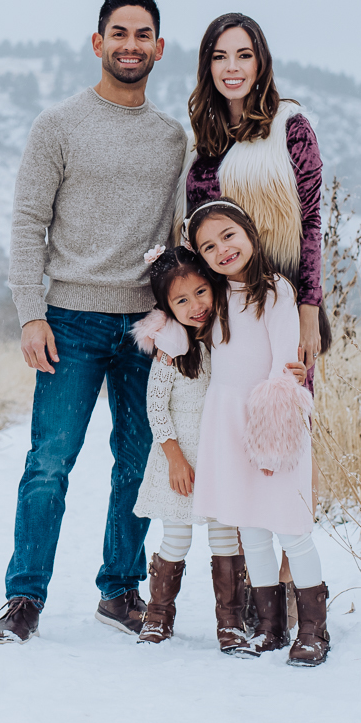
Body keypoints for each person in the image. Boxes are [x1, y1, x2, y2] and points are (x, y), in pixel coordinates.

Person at [0, 0, 189, 644]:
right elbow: (28, 220)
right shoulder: (59, 125)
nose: (131, 44)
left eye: (143, 35)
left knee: (138, 464)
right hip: (68, 320)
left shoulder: (171, 140)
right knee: (49, 463)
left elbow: (184, 230)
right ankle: (24, 597)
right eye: (118, 32)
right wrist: (30, 312)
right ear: (98, 42)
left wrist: (181, 323)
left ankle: (119, 590)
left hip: (145, 328)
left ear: (159, 49)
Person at [185, 11, 328, 607]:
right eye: (220, 57)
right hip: (228, 321)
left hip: (286, 307)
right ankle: (253, 600)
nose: (232, 68)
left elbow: (315, 221)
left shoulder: (291, 127)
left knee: (284, 450)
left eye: (243, 55)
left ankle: (300, 600)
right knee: (238, 454)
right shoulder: (203, 140)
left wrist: (310, 310)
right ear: (207, 65)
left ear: (260, 60)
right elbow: (195, 238)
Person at [130, 245, 308, 651]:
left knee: (225, 538)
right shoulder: (172, 350)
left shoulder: (228, 337)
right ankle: (158, 616)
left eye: (200, 293)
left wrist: (292, 371)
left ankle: (229, 622)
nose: (195, 306)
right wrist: (174, 457)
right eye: (180, 300)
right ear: (166, 307)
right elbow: (155, 406)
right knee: (175, 538)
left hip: (221, 457)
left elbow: (263, 367)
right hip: (180, 462)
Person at [188, 198, 330, 666]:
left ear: (249, 231)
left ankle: (313, 629)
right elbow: (178, 334)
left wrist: (272, 439)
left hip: (272, 421)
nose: (222, 249)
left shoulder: (276, 292)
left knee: (291, 526)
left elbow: (283, 367)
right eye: (208, 246)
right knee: (250, 530)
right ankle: (270, 627)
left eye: (228, 235)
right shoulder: (213, 299)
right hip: (227, 424)